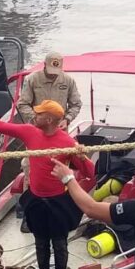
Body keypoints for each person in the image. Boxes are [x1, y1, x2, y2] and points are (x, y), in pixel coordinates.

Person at [0, 100, 94, 269]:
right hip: (36, 200)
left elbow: (89, 173)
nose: (34, 116)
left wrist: (81, 156)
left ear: (49, 119)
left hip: (58, 202)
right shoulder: (30, 132)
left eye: (39, 114)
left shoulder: (67, 142)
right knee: (40, 242)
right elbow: (0, 126)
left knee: (60, 243)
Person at [15, 52, 83, 229]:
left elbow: (76, 103)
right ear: (44, 65)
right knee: (30, 165)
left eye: (56, 70)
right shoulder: (32, 80)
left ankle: (60, 207)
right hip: (39, 133)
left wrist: (67, 119)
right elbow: (22, 104)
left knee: (61, 167)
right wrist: (38, 120)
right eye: (50, 70)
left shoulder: (68, 81)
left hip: (60, 134)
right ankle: (29, 210)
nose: (53, 74)